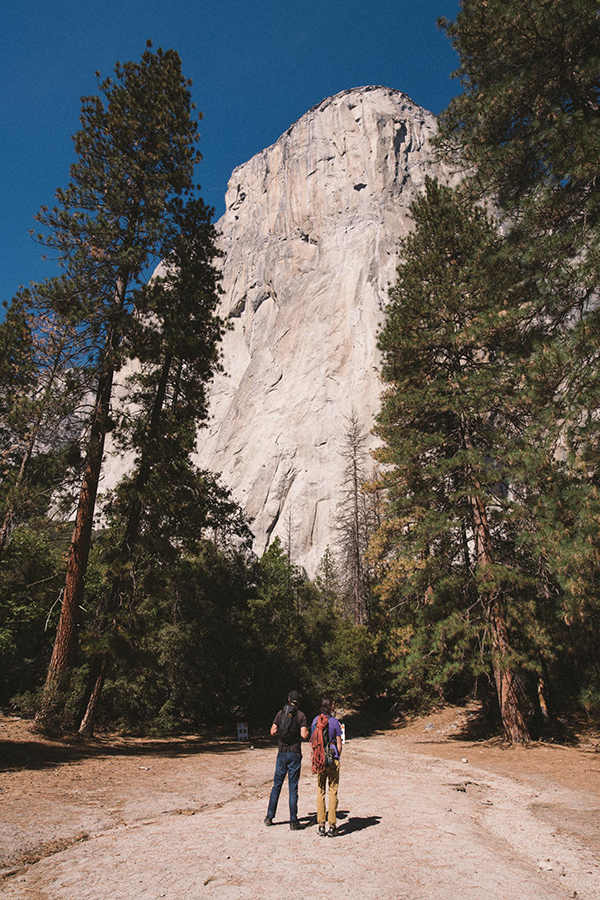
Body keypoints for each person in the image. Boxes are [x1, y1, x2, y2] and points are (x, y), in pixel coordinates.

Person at [264, 690, 309, 830]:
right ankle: (293, 820)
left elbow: (272, 731)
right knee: (293, 788)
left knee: (276, 786)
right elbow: (304, 735)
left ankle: (269, 817)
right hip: (294, 753)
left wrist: (282, 733)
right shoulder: (301, 716)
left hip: (282, 753)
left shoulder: (280, 713)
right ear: (299, 702)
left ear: (288, 699)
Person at [311, 696, 343, 837]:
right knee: (333, 790)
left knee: (321, 790)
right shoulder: (335, 722)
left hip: (320, 759)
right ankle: (332, 825)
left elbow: (312, 741)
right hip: (332, 758)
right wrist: (337, 757)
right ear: (331, 706)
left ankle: (321, 825)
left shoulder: (315, 721)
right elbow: (339, 744)